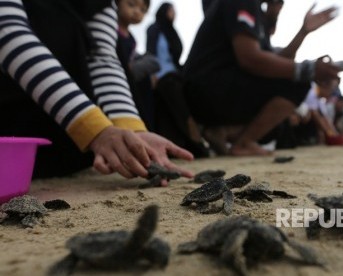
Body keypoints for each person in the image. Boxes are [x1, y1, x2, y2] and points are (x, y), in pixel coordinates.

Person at [0, 0, 193, 183]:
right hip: (15, 122)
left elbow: (102, 57)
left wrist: (130, 130)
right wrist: (94, 128)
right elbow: (8, 32)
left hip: (70, 133)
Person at [183, 0, 342, 156]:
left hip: (211, 89)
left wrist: (303, 32)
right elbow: (250, 59)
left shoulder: (258, 17)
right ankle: (243, 143)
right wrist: (308, 69)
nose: (280, 5)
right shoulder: (243, 3)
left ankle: (221, 131)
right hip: (207, 89)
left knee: (280, 115)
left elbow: (276, 61)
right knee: (298, 83)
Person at [146, 2, 209, 158]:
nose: (174, 13)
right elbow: (151, 51)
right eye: (171, 10)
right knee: (171, 100)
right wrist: (152, 75)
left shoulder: (172, 32)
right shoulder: (154, 29)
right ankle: (193, 136)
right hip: (160, 74)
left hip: (176, 73)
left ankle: (187, 142)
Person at [116, 0, 159, 132]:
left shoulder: (132, 39)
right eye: (131, 5)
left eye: (143, 10)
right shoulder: (111, 30)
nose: (137, 12)